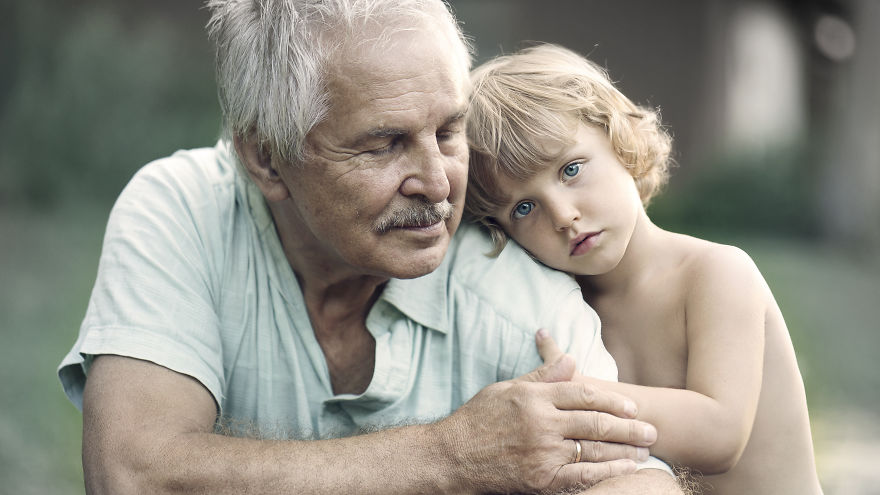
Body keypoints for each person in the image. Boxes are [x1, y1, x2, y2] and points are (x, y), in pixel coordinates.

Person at [56, 2, 685, 494]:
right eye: (383, 144)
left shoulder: (515, 285)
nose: (440, 185)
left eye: (448, 130)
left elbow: (636, 482)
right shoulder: (184, 210)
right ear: (266, 158)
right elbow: (133, 478)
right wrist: (455, 455)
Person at [465, 43, 824, 494]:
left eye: (571, 169)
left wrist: (577, 396)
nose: (561, 215)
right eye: (523, 208)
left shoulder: (715, 273)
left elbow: (720, 434)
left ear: (619, 139)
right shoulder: (564, 309)